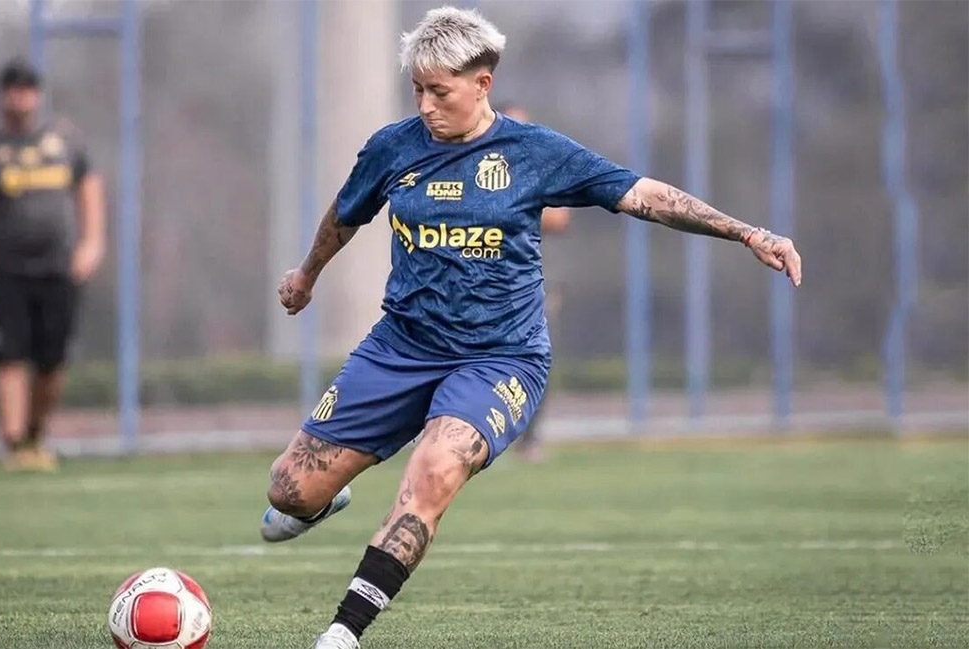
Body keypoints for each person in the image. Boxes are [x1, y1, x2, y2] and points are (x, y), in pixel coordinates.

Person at [260, 8, 801, 648]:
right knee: (288, 492)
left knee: (433, 471)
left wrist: (746, 232)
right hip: (401, 346)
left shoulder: (535, 152)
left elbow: (646, 195)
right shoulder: (393, 147)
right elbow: (346, 214)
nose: (426, 106)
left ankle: (343, 632)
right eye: (418, 91)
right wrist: (307, 274)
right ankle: (323, 499)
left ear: (482, 84)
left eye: (440, 92)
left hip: (500, 359)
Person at [0, 58, 105, 471]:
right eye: (12, 89)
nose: (20, 97)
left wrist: (92, 244)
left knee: (52, 360)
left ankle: (34, 436)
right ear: (1, 96)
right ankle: (13, 444)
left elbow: (89, 188)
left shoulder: (64, 142)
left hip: (56, 268)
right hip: (2, 269)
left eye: (27, 89)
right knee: (8, 356)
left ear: (38, 95)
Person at [495, 102, 570, 463]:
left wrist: (505, 211)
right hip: (479, 285)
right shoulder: (474, 165)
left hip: (530, 285)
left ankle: (530, 439)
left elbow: (559, 218)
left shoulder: (537, 167)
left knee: (535, 356)